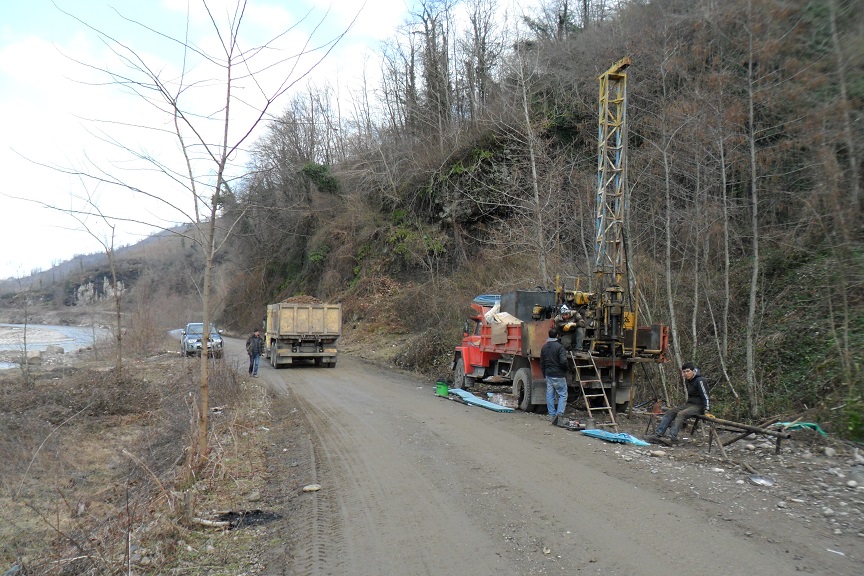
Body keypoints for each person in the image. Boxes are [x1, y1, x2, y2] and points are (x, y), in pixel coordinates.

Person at [647, 362, 710, 445]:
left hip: (699, 406)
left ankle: (672, 438)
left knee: (681, 414)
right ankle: (658, 434)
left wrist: (707, 409)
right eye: (684, 372)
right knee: (670, 411)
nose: (686, 374)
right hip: (689, 404)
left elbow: (705, 395)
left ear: (693, 371)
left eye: (688, 371)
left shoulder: (700, 380)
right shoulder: (688, 380)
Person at [540, 328, 569, 426]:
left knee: (550, 395)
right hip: (558, 374)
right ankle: (559, 415)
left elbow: (542, 363)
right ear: (557, 336)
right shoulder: (559, 347)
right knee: (563, 394)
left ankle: (552, 415)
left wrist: (544, 374)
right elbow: (563, 361)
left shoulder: (544, 347)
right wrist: (566, 369)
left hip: (548, 374)